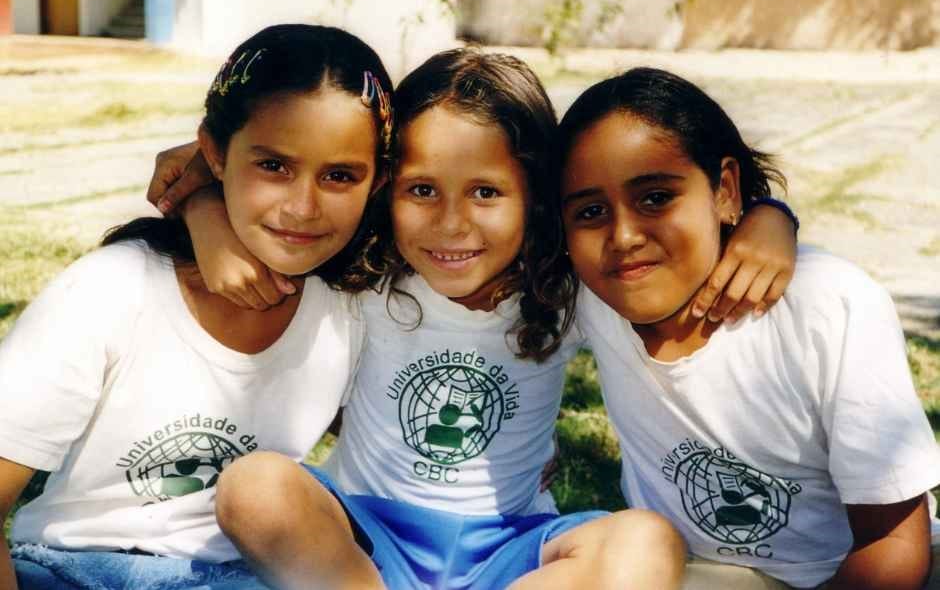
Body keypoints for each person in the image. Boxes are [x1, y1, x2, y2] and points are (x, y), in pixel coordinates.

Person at [160, 49, 800, 590]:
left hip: (514, 550)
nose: (451, 224)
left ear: (536, 195)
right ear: (386, 188)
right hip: (364, 542)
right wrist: (203, 212)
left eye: (487, 192)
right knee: (254, 486)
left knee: (647, 541)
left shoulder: (567, 289)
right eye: (422, 190)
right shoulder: (365, 274)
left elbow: (697, 216)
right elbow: (223, 167)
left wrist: (769, 216)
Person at [0, 24, 394, 590]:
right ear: (214, 152)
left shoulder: (357, 305)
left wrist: (205, 196)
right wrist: (202, 200)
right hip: (75, 570)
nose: (303, 206)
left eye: (339, 175)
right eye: (274, 166)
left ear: (376, 182)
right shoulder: (113, 290)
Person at [559, 67, 940, 590]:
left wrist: (770, 212)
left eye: (655, 198)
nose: (623, 236)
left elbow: (894, 545)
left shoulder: (828, 304)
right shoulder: (593, 297)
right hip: (700, 573)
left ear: (725, 189)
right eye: (592, 211)